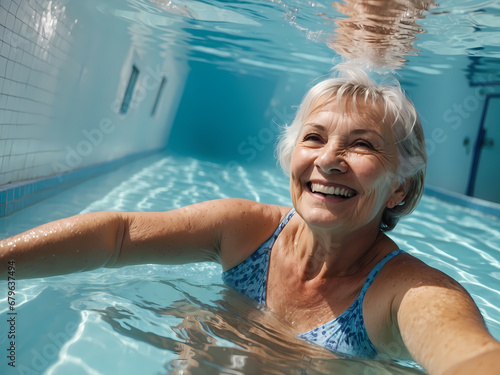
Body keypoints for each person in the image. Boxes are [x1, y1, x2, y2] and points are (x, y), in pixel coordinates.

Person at [1, 64, 499, 375]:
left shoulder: (405, 293)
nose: (329, 159)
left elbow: (470, 357)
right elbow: (119, 238)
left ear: (400, 188)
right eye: (314, 138)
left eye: (363, 143)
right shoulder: (245, 231)